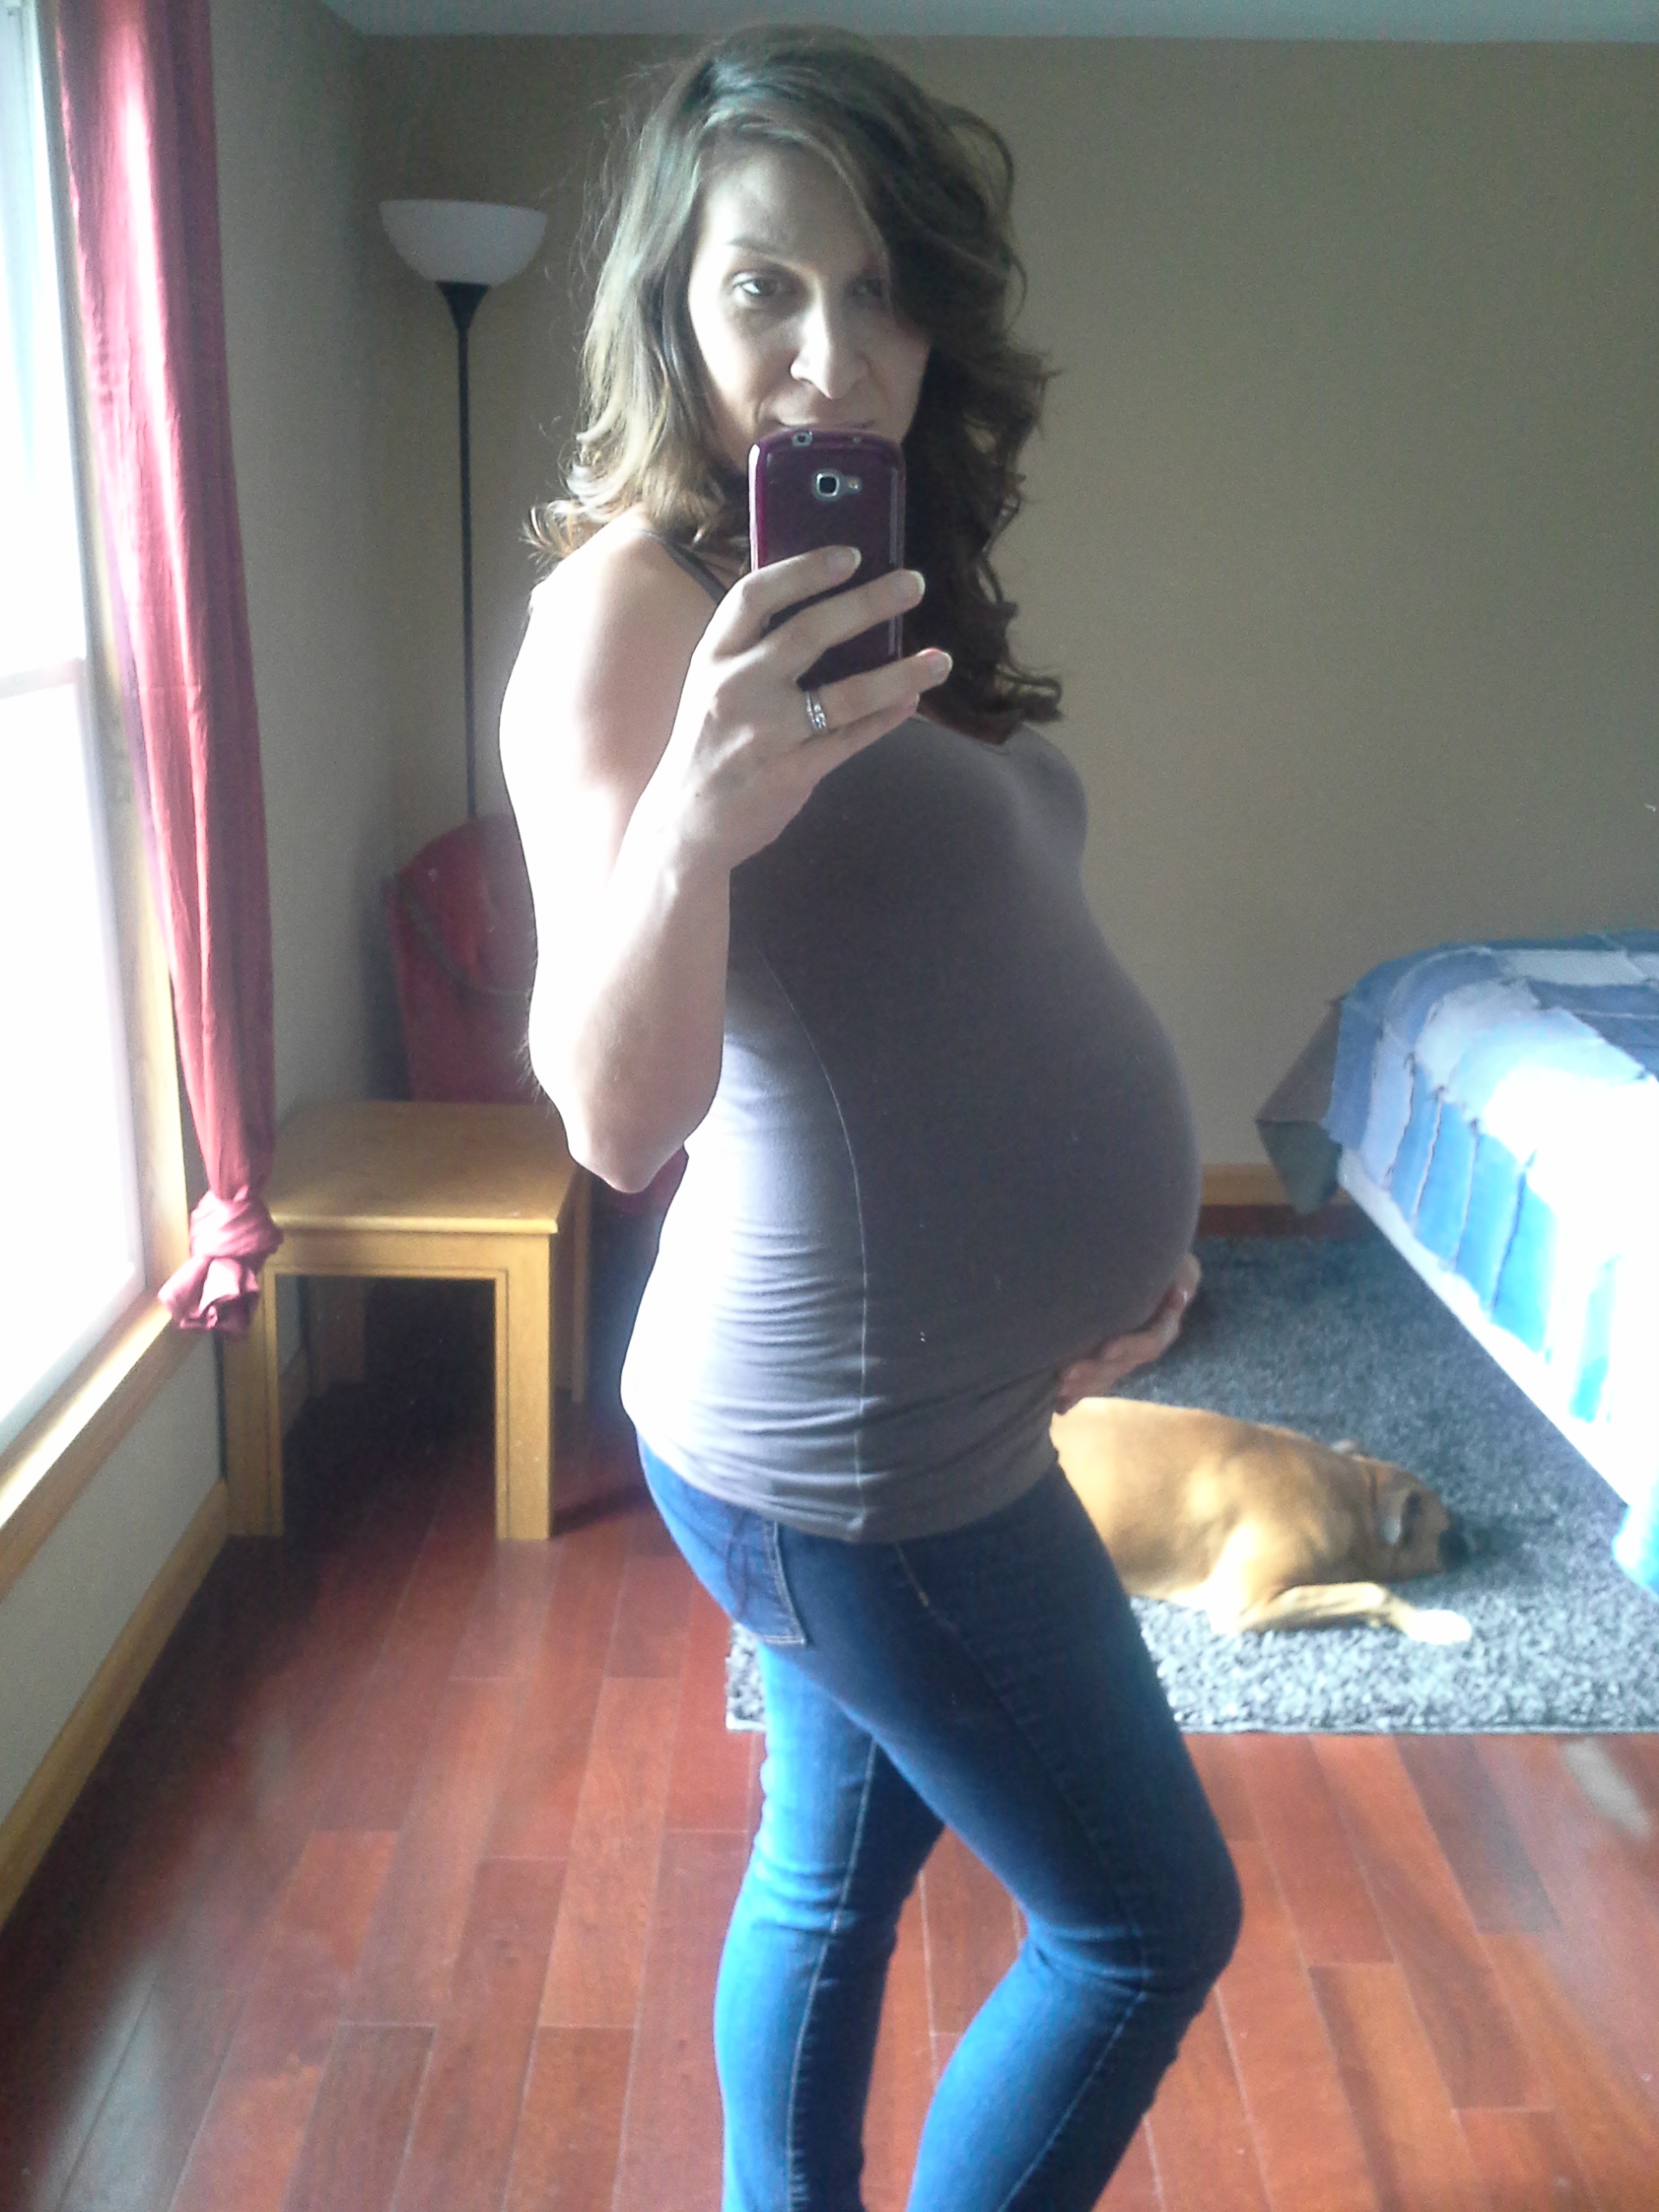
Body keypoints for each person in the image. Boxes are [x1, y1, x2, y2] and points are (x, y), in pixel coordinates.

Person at [501, 28, 1241, 2211]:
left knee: (827, 1875)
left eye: (882, 290)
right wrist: (693, 820)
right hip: (856, 1453)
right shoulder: (625, 615)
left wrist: (1113, 1253)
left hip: (907, 1403)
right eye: (765, 288)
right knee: (1144, 1922)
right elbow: (614, 1115)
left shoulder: (874, 570)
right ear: (674, 301)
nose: (833, 357)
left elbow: (941, 981)